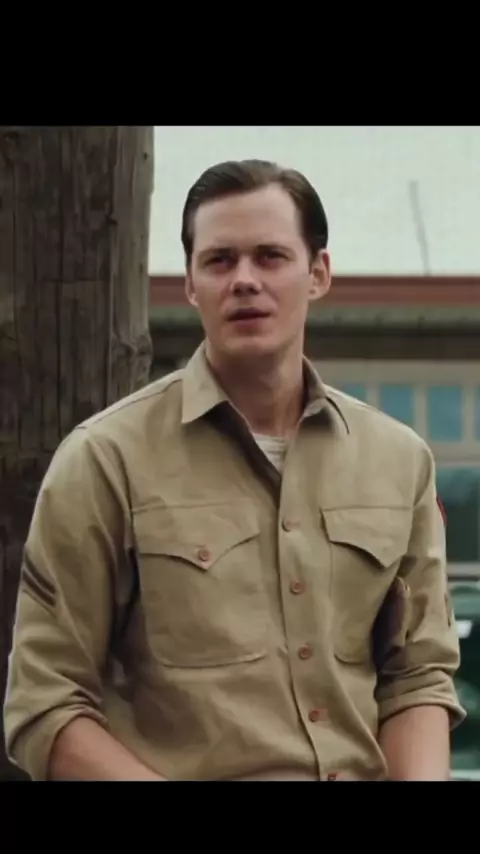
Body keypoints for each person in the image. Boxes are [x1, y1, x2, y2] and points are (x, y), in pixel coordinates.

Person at [3, 159, 465, 782]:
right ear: (191, 285)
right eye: (220, 261)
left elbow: (418, 677)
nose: (245, 280)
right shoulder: (105, 460)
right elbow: (44, 703)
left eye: (270, 257)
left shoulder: (398, 461)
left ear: (318, 273)